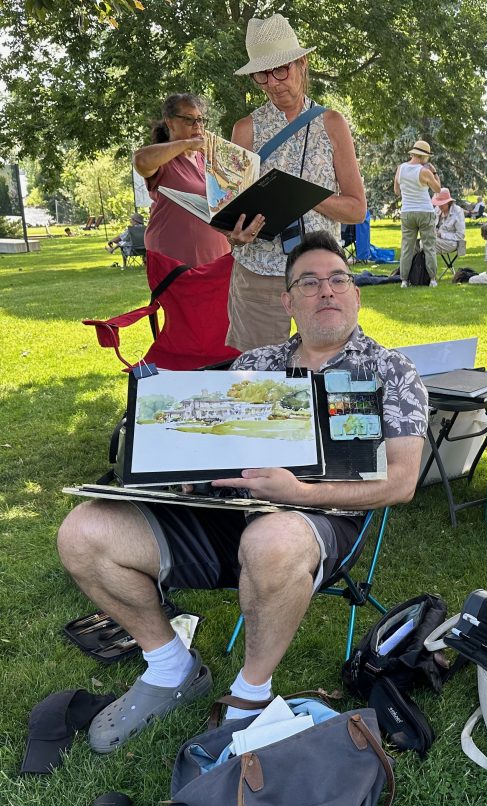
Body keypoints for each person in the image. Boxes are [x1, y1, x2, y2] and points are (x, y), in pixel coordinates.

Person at [56, 230, 428, 754]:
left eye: (339, 279)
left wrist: (298, 490)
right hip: (225, 512)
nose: (327, 291)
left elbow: (401, 482)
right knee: (83, 532)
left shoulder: (391, 371)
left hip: (318, 519)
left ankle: (251, 694)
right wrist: (179, 468)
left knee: (271, 541)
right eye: (310, 282)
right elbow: (214, 449)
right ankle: (169, 667)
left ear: (356, 293)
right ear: (288, 301)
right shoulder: (255, 365)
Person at [229, 14, 367, 351]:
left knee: (331, 369)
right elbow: (228, 211)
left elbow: (356, 210)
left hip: (321, 276)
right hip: (258, 276)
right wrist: (234, 235)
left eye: (280, 70)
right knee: (260, 378)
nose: (273, 82)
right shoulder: (245, 129)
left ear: (301, 63)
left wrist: (304, 195)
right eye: (262, 74)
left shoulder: (332, 123)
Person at [133, 94, 262, 268]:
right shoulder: (163, 161)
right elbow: (141, 160)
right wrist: (187, 143)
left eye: (200, 120)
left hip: (218, 259)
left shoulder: (209, 159)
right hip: (173, 262)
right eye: (189, 119)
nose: (197, 125)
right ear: (170, 122)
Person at [394, 140, 442, 288]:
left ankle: (404, 280)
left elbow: (397, 191)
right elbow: (438, 189)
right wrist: (434, 172)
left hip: (407, 211)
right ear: (424, 156)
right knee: (429, 246)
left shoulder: (400, 168)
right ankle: (433, 279)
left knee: (407, 247)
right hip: (425, 211)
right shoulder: (425, 171)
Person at [433, 188, 466, 253]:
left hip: (451, 243)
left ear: (448, 202)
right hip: (436, 239)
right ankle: (418, 262)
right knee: (416, 244)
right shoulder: (437, 209)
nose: (439, 206)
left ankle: (424, 262)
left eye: (442, 203)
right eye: (438, 203)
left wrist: (442, 235)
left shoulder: (457, 212)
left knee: (427, 243)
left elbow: (460, 235)